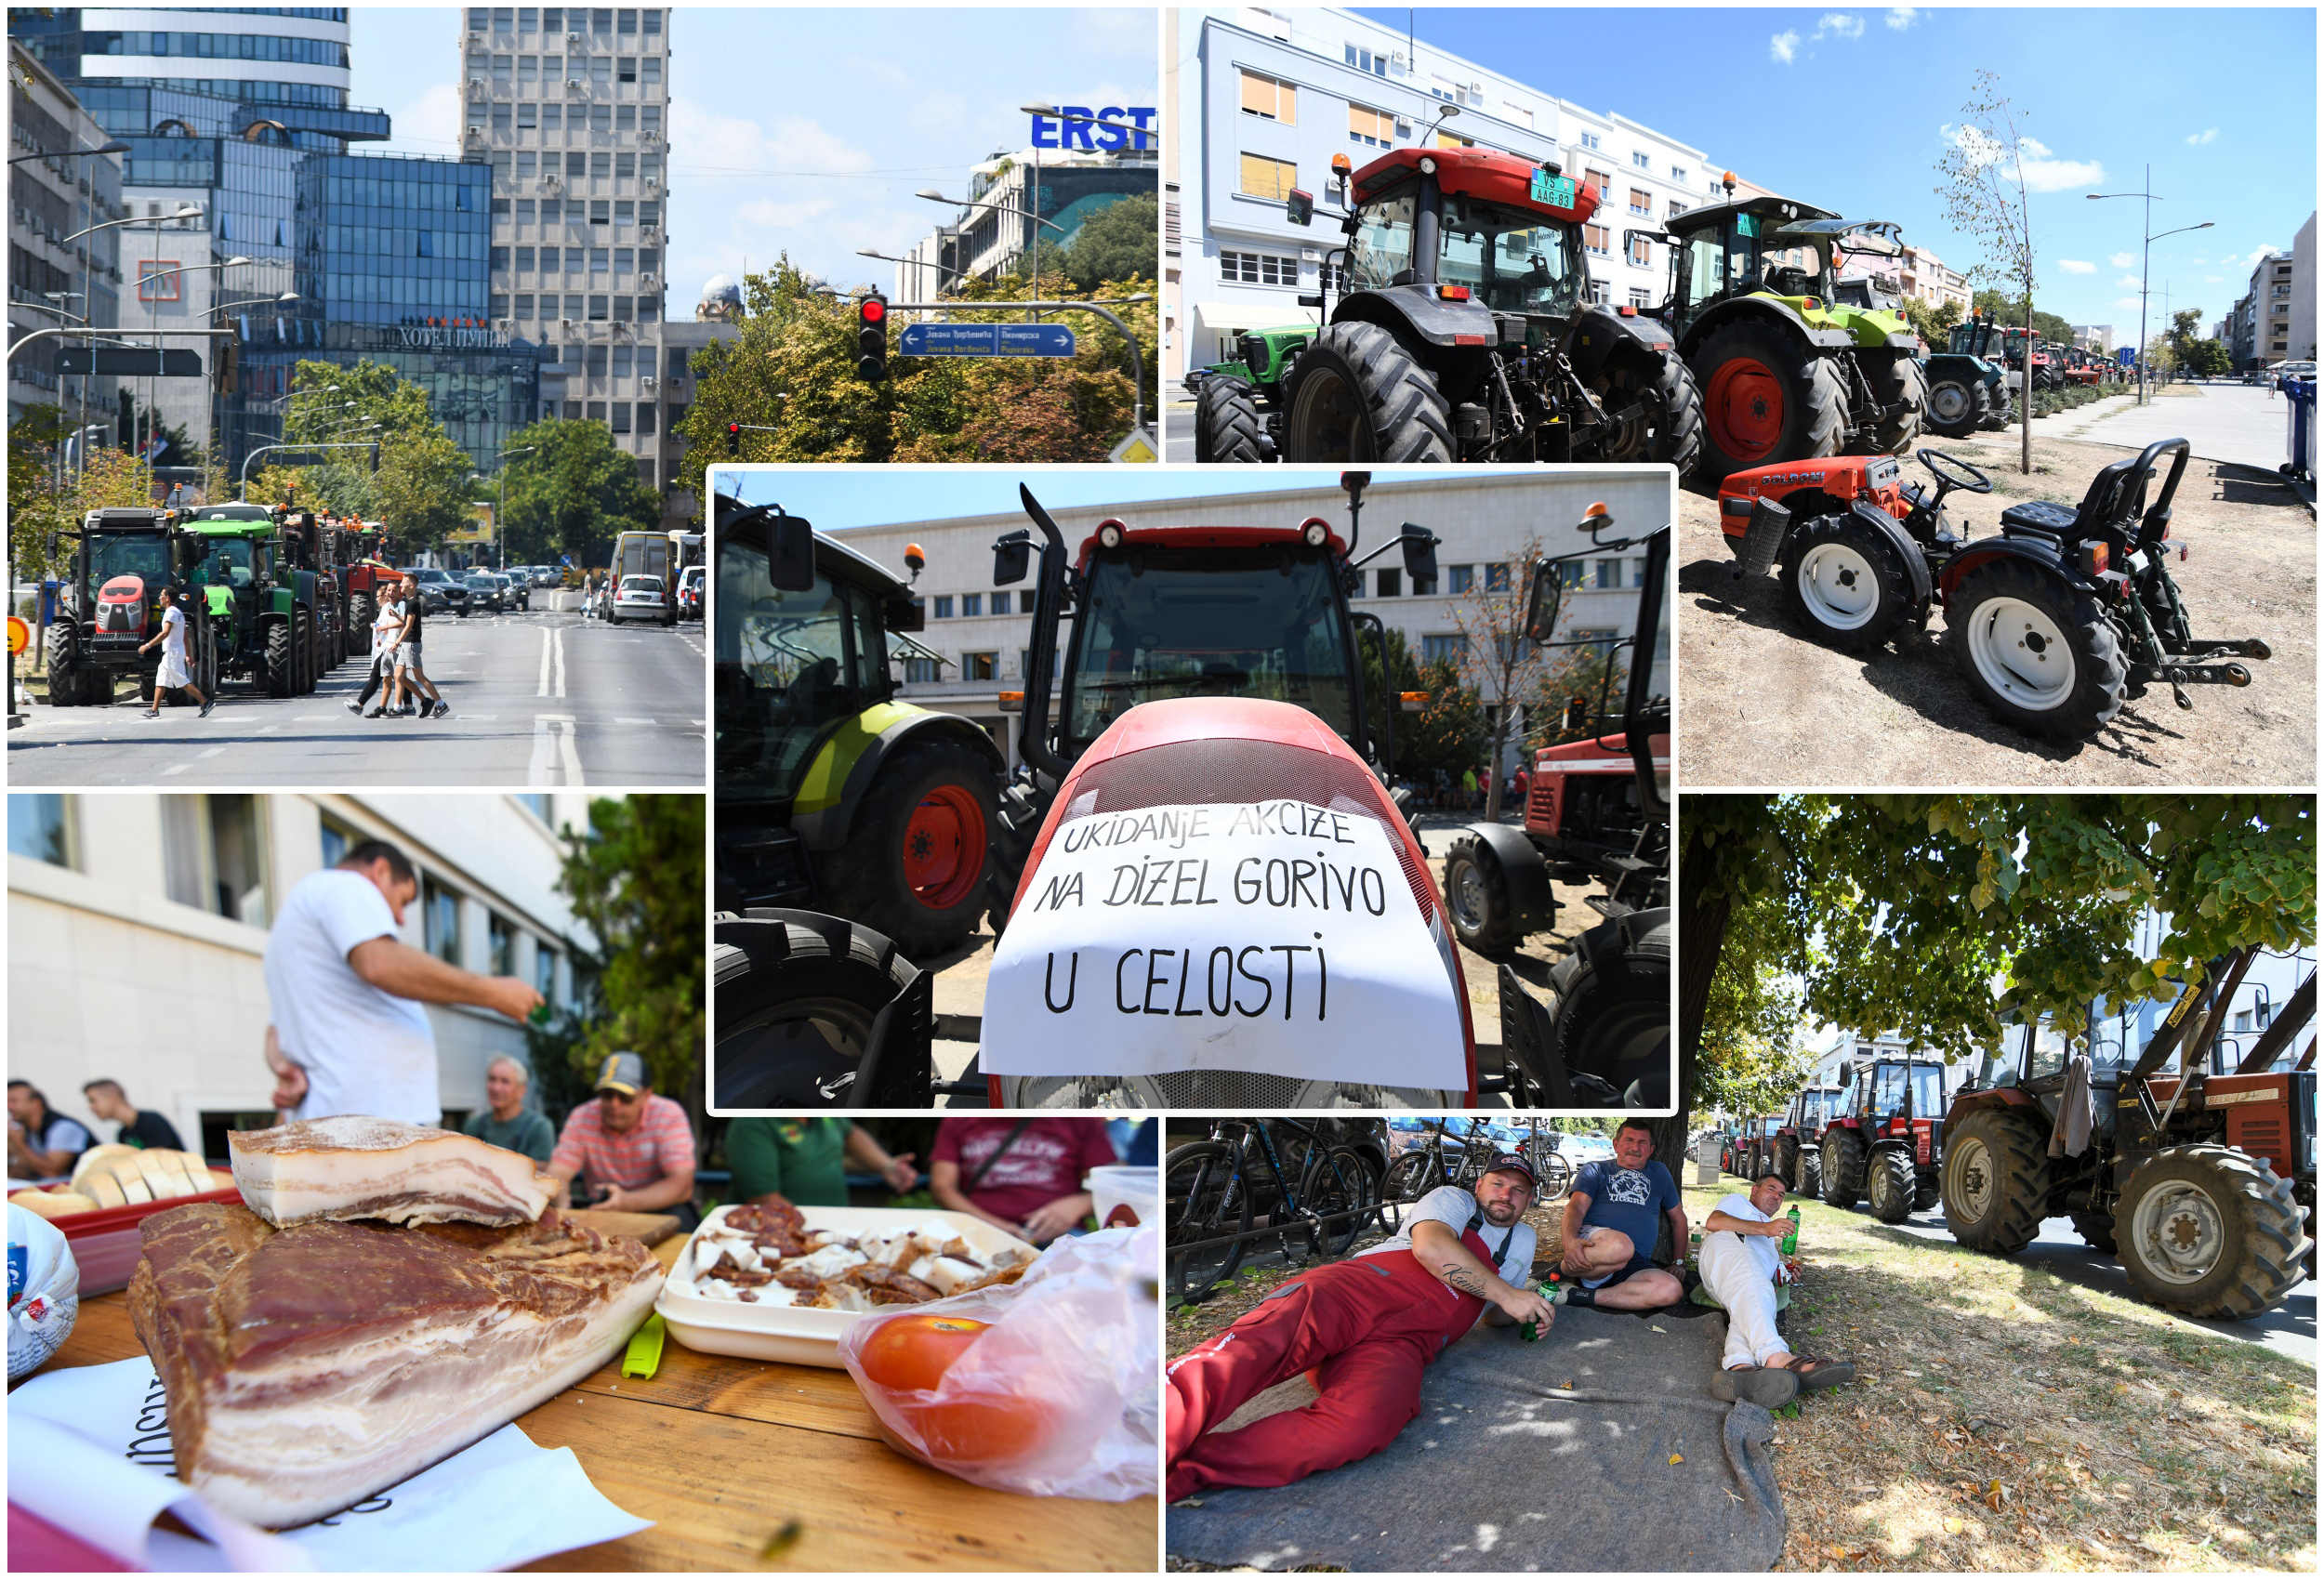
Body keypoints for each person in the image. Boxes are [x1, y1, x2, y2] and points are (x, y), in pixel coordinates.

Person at [1167, 1155, 1554, 1499]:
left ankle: (1180, 1475)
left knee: (1366, 1422)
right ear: (1479, 1185)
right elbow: (1431, 1247)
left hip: (1404, 1342)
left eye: (1519, 1190)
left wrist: (1528, 1310)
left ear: (1529, 1199)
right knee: (1244, 1356)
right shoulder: (1454, 1199)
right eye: (1498, 1183)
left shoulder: (1522, 1239)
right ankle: (1137, 1439)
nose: (1506, 1194)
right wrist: (1507, 1294)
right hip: (1351, 1292)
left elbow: (1495, 1312)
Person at [262, 838, 544, 1125]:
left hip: (343, 1118)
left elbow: (275, 1031)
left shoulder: (285, 935)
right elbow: (379, 963)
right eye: (402, 901)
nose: (400, 919)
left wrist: (285, 1069)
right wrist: (495, 993)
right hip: (367, 1122)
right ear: (380, 871)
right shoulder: (345, 886)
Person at [1698, 1172, 1855, 1405]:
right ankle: (1776, 1355)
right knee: (1753, 1282)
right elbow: (1714, 1221)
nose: (1777, 1196)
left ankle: (1739, 1369)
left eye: (1781, 1194)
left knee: (1758, 1295)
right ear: (1754, 1190)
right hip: (1721, 1255)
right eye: (1771, 1189)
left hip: (1740, 1286)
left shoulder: (1771, 1246)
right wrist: (1765, 1228)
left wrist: (1785, 1274)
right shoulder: (1738, 1203)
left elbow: (1764, 1280)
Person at [1550, 1117, 1687, 1311]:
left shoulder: (1660, 1173)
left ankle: (1579, 1296)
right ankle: (1554, 1274)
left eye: (1642, 1143)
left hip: (1633, 1262)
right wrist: (1569, 1242)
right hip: (1597, 1247)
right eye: (1628, 1140)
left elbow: (1678, 1218)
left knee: (1671, 1289)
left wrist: (1678, 1261)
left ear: (1651, 1150)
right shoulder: (1597, 1169)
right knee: (1621, 1246)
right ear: (1616, 1144)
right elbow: (1576, 1207)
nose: (1635, 1147)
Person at [547, 1053, 696, 1218]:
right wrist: (562, 1203)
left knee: (681, 1216)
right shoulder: (582, 1116)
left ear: (646, 1095)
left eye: (625, 1097)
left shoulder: (668, 1114)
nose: (614, 1104)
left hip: (659, 1209)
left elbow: (682, 1185)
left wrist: (627, 1202)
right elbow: (558, 1171)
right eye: (607, 1094)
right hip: (602, 1210)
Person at [930, 1117, 1116, 1245]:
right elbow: (942, 1187)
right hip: (978, 1231)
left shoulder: (1081, 1120)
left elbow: (1110, 1187)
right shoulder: (958, 1120)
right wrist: (995, 1226)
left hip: (1057, 1236)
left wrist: (1078, 1204)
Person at [726, 1117, 918, 1208]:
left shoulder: (823, 1108)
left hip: (832, 1229)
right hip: (782, 1239)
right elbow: (767, 1202)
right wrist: (815, 1236)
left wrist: (886, 1165)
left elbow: (850, 1133)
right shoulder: (751, 1123)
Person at [459, 1055, 556, 1165]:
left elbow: (537, 1176)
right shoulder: (473, 1125)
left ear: (521, 1090)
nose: (496, 1088)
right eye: (492, 1079)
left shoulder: (539, 1128)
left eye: (505, 1081)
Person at [137, 586, 214, 718]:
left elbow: (165, 633)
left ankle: (206, 702)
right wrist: (188, 654)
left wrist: (147, 645)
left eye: (161, 595)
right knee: (161, 681)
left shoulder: (170, 613)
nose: (159, 598)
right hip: (172, 653)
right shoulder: (178, 613)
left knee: (182, 681)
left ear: (167, 598)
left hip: (172, 654)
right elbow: (184, 636)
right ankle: (154, 711)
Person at [387, 577, 447, 719]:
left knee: (419, 676)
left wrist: (397, 642)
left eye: (403, 582)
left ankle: (440, 703)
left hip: (411, 643)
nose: (400, 585)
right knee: (398, 675)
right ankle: (397, 708)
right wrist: (397, 616)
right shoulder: (409, 603)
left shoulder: (413, 603)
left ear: (411, 585)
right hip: (406, 644)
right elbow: (408, 622)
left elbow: (408, 626)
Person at [7, 1082, 93, 1180]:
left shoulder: (63, 1128)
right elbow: (23, 1167)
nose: (9, 1107)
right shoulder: (25, 1130)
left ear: (36, 1103)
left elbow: (52, 1171)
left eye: (14, 1101)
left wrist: (19, 1143)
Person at [81, 1079, 185, 1152]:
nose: (91, 1107)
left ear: (112, 1098)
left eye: (93, 1101)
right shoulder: (123, 1134)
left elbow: (158, 1161)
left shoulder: (151, 1121)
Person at [348, 585, 404, 716]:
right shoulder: (387, 608)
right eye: (389, 591)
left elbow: (403, 623)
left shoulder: (399, 605)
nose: (378, 599)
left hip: (393, 647)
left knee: (381, 677)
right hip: (386, 646)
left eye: (393, 591)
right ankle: (388, 706)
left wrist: (385, 631)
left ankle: (360, 705)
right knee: (391, 679)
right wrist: (382, 635)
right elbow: (388, 627)